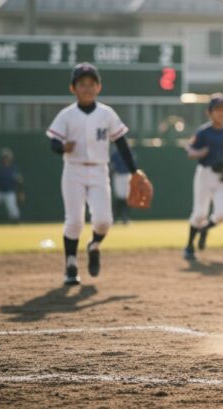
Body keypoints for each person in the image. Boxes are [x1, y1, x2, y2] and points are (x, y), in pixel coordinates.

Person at [47, 63, 141, 285]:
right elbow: (53, 142)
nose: (87, 88)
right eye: (82, 84)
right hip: (74, 170)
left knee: (104, 221)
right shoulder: (67, 115)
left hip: (99, 170)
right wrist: (62, 148)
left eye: (91, 84)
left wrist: (134, 172)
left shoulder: (106, 114)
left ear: (99, 87)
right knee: (74, 221)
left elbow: (121, 143)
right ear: (73, 88)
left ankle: (94, 245)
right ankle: (71, 265)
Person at [184, 93, 223, 260]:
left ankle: (204, 229)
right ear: (209, 112)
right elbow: (189, 150)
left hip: (222, 176)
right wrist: (199, 153)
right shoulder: (204, 132)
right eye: (217, 109)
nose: (221, 113)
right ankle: (189, 246)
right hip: (205, 174)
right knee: (199, 213)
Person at [110, 146, 135, 225]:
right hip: (118, 176)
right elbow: (111, 164)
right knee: (120, 197)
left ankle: (125, 218)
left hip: (127, 175)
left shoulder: (129, 152)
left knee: (126, 197)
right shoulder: (115, 154)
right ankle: (115, 217)